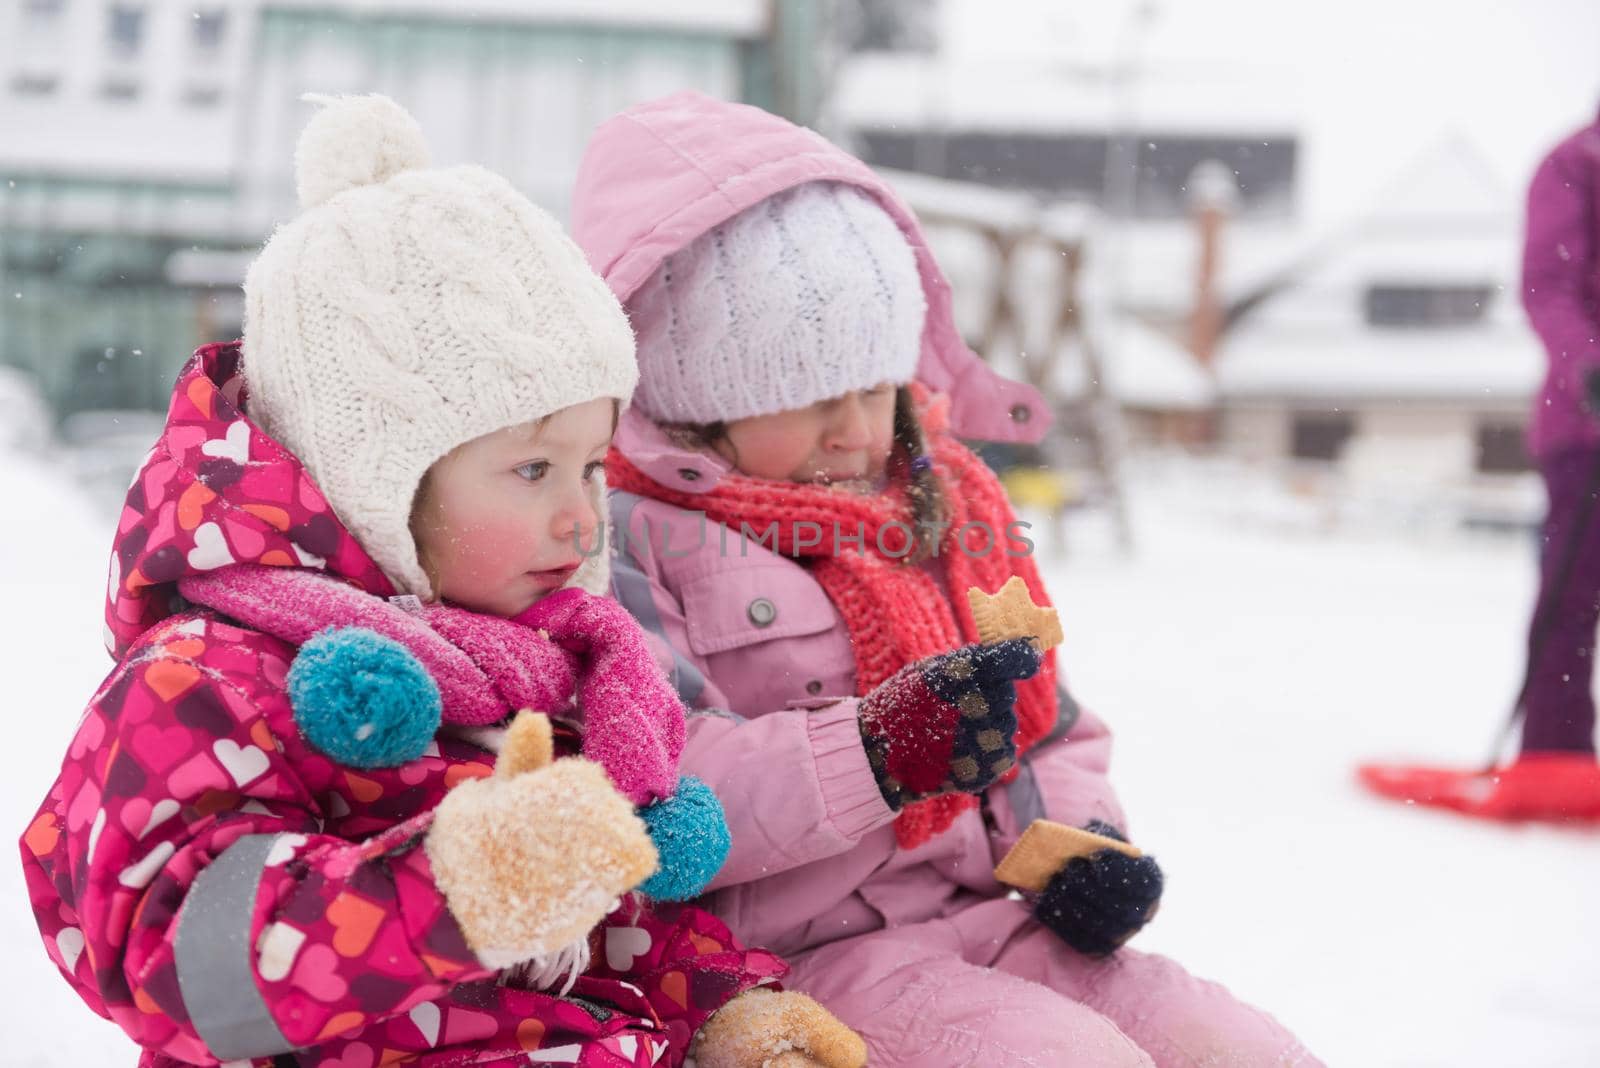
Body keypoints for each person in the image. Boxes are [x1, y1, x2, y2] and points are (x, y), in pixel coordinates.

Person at [18, 94, 865, 1068]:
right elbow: (177, 963)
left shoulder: (543, 677)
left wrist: (723, 1010)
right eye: (532, 469)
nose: (581, 517)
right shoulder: (208, 683)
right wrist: (454, 886)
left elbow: (604, 922)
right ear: (374, 476)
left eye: (593, 466)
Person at [572, 90, 1321, 1066]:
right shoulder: (631, 542)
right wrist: (875, 754)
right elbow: (665, 790)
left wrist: (1081, 846)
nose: (853, 427)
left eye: (875, 388)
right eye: (805, 396)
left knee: (1231, 1047)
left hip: (989, 917)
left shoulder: (941, 516)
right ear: (691, 401)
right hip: (802, 956)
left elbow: (1043, 721)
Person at [1361, 106, 1600, 822]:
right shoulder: (1577, 163)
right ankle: (1556, 757)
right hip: (1587, 430)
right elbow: (1549, 286)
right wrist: (1589, 366)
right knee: (1573, 595)